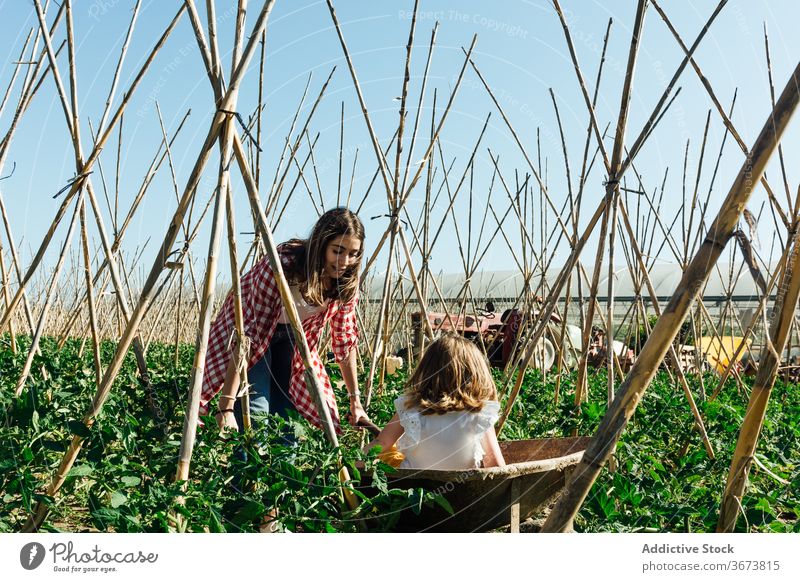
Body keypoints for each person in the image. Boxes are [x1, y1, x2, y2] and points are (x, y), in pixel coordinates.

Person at [199, 207, 369, 437]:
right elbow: (248, 334)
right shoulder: (282, 266)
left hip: (293, 338)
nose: (345, 261)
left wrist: (355, 401)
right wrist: (226, 405)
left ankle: (282, 471)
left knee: (288, 417)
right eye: (337, 251)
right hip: (253, 333)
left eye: (353, 253)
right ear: (320, 245)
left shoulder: (346, 283)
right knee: (255, 410)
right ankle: (247, 467)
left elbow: (345, 340)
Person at [367, 333, 506, 470]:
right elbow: (494, 462)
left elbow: (382, 442)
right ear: (474, 374)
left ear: (427, 370)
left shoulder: (410, 407)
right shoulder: (480, 413)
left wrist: (352, 466)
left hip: (411, 488)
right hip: (462, 488)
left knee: (390, 455)